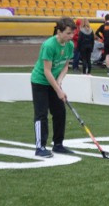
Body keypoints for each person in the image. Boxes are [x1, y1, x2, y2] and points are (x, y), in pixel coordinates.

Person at [31, 17, 76, 158]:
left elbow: (65, 66)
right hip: (40, 82)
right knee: (41, 114)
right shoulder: (49, 45)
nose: (71, 36)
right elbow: (47, 71)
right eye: (68, 33)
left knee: (60, 112)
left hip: (54, 82)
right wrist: (58, 90)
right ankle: (40, 147)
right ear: (59, 31)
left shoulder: (70, 46)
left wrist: (59, 82)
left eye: (72, 33)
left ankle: (58, 144)